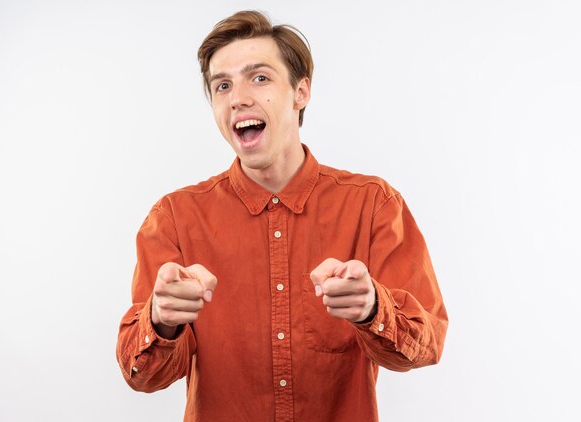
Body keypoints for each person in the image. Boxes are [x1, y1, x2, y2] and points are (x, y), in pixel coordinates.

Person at [116, 10, 448, 422]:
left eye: (259, 77)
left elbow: (428, 343)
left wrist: (372, 308)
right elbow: (142, 375)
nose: (237, 97)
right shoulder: (173, 218)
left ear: (301, 92)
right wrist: (161, 321)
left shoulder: (375, 204)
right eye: (222, 85)